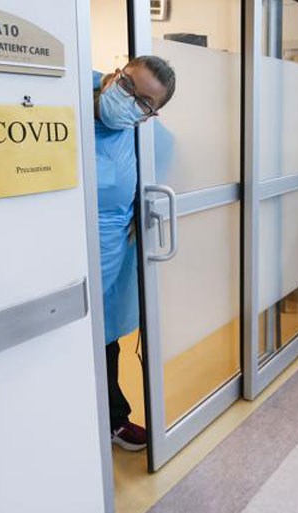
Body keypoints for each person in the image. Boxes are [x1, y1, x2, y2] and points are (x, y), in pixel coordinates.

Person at [94, 56, 176, 451]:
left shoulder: (140, 135)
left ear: (149, 116)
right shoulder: (65, 101)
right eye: (127, 86)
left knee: (103, 336)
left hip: (106, 251)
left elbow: (167, 154)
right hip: (52, 249)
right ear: (114, 75)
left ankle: (113, 420)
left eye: (143, 102)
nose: (129, 101)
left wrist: (144, 207)